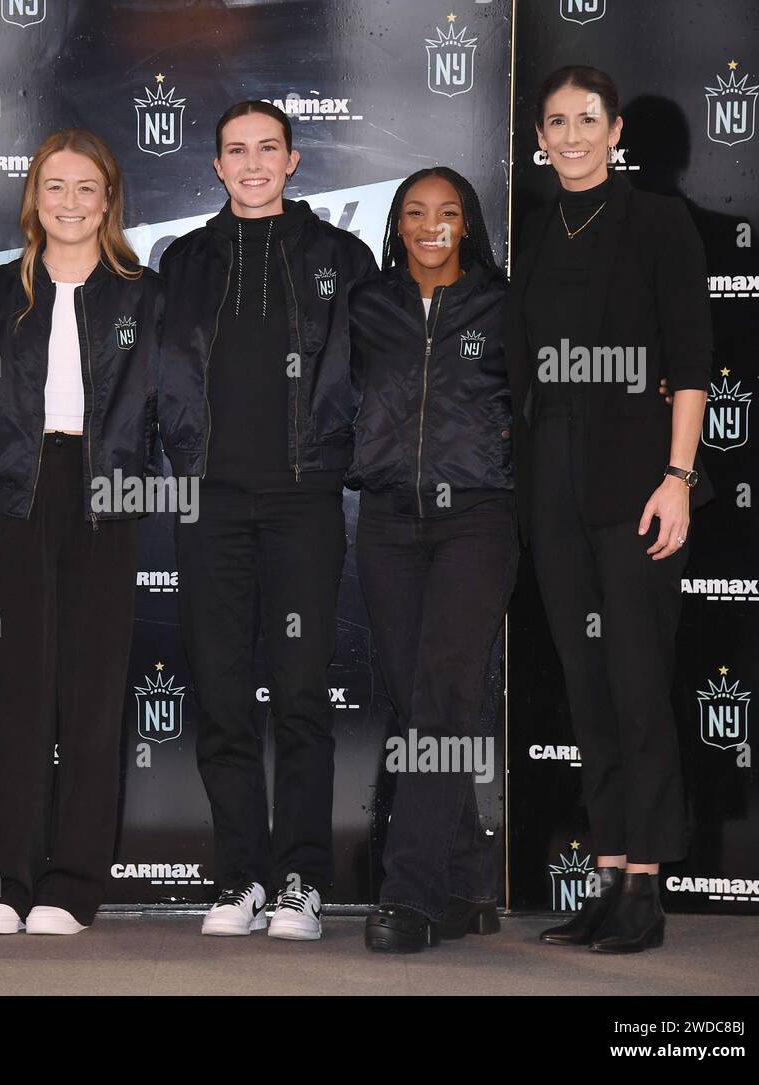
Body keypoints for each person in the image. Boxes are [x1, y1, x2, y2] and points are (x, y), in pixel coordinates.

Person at [157, 101, 378, 940]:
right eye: (235, 151)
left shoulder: (340, 257)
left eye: (267, 150)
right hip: (207, 503)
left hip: (304, 502)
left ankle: (301, 881)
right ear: (216, 166)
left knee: (300, 699)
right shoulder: (182, 261)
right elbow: (149, 376)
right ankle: (239, 878)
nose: (252, 164)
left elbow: (384, 370)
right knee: (218, 696)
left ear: (293, 161)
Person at [508, 66, 712, 953]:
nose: (574, 134)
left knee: (636, 680)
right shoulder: (537, 229)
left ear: (615, 130)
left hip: (635, 475)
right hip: (549, 472)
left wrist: (678, 475)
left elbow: (694, 359)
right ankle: (607, 873)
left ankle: (646, 887)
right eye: (558, 122)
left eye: (588, 119)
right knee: (585, 687)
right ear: (541, 140)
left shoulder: (659, 222)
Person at [0, 129, 163, 936]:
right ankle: (3, 880)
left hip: (105, 495)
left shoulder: (144, 294)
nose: (71, 202)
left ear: (109, 198)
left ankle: (71, 884)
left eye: (87, 187)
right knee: (13, 693)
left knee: (91, 694)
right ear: (33, 198)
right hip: (16, 492)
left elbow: (172, 405)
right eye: (55, 186)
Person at [348, 167, 515, 952]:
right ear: (398, 224)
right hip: (385, 521)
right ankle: (470, 879)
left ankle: (408, 897)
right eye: (415, 212)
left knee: (444, 700)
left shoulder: (502, 304)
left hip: (476, 523)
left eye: (448, 212)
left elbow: (548, 401)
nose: (430, 224)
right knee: (421, 707)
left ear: (469, 224)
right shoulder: (368, 305)